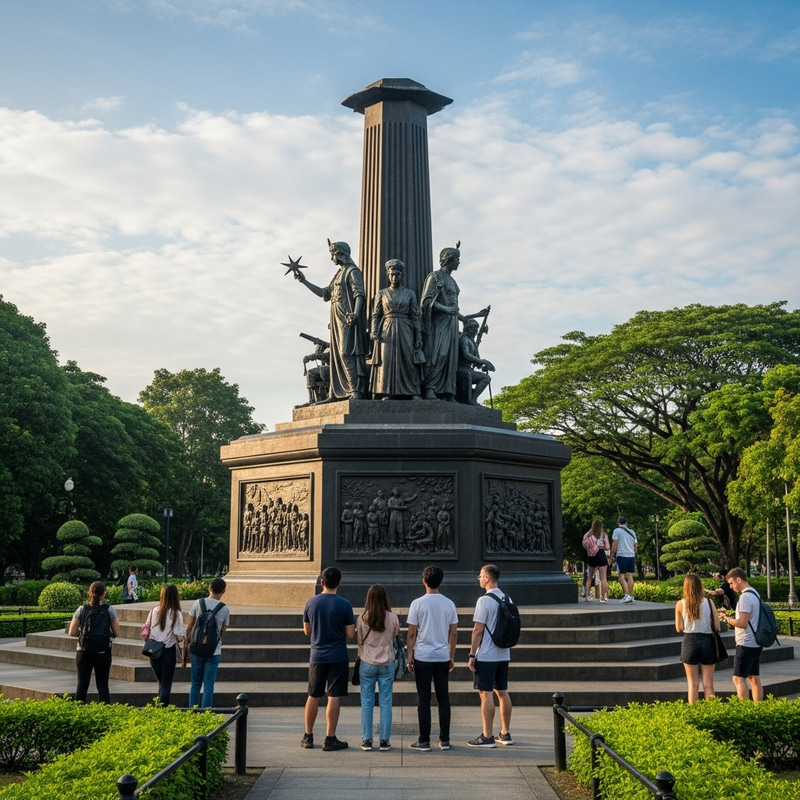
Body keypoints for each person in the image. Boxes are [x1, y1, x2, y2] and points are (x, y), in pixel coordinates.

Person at [290, 241, 369, 400]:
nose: (331, 258)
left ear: (340, 254)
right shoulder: (339, 274)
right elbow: (324, 293)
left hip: (346, 316)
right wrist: (304, 281)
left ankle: (356, 390)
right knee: (336, 356)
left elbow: (359, 294)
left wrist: (355, 313)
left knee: (346, 352)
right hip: (336, 317)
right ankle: (335, 392)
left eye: (332, 254)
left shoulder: (353, 271)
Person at [419, 244, 488, 401]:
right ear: (448, 259)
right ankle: (430, 388)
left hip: (452, 323)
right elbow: (427, 301)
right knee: (438, 354)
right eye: (456, 259)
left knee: (451, 358)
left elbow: (457, 312)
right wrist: (446, 309)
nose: (458, 262)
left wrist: (477, 315)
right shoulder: (434, 277)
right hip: (440, 323)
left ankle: (448, 392)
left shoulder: (453, 281)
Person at [302, 566, 356, 751]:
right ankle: (330, 738)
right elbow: (350, 634)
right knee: (333, 696)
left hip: (317, 655)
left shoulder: (311, 602)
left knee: (313, 695)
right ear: (339, 583)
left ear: (322, 582)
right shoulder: (345, 604)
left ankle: (308, 736)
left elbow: (307, 631)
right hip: (338, 655)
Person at [406, 565, 458, 751]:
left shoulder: (417, 604)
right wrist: (451, 655)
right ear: (441, 581)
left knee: (424, 699)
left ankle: (424, 739)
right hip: (442, 655)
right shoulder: (449, 603)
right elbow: (453, 633)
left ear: (424, 581)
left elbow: (412, 633)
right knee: (443, 698)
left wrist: (409, 655)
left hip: (423, 656)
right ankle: (444, 739)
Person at [467, 564, 513, 747]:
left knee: (486, 694)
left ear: (487, 578)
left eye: (480, 576)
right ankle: (505, 733)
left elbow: (478, 629)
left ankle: (487, 736)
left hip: (486, 654)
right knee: (502, 692)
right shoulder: (507, 597)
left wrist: (472, 654)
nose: (479, 579)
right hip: (503, 653)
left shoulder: (484, 601)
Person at [369, 259, 423, 399]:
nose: (394, 277)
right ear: (388, 275)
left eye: (397, 274)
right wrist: (374, 332)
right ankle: (388, 392)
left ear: (402, 276)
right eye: (392, 274)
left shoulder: (410, 293)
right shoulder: (381, 293)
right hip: (387, 328)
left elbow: (415, 316)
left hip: (405, 327)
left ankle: (412, 391)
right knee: (387, 360)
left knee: (408, 359)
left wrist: (418, 337)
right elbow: (375, 315)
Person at [356, 584, 400, 752]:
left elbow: (360, 640)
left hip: (367, 662)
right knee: (386, 702)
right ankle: (384, 740)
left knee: (366, 702)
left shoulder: (362, 618)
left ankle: (367, 740)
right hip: (387, 662)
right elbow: (394, 637)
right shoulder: (392, 618)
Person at [68, 580, 120, 703]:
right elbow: (117, 632)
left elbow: (71, 632)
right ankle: (105, 715)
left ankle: (78, 715)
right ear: (104, 594)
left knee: (82, 685)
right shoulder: (109, 610)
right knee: (102, 686)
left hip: (84, 651)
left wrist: (83, 634)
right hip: (103, 652)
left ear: (89, 593)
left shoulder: (82, 609)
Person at [718, 567, 764, 702]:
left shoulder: (745, 597)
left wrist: (727, 619)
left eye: (732, 583)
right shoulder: (754, 593)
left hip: (746, 642)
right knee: (753, 677)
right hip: (756, 641)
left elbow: (742, 623)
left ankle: (743, 712)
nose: (731, 586)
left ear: (739, 579)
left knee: (738, 678)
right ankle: (759, 709)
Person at [675, 573, 721, 703]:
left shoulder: (680, 604)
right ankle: (712, 713)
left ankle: (694, 714)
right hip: (708, 641)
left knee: (692, 685)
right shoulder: (709, 602)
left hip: (689, 641)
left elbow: (679, 628)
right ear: (700, 586)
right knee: (708, 685)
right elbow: (717, 626)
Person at [186, 577, 230, 708]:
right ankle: (205, 714)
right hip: (213, 650)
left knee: (195, 683)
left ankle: (192, 712)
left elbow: (189, 626)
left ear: (209, 588)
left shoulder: (198, 603)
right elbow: (223, 628)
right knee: (209, 684)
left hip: (197, 648)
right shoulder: (225, 609)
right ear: (223, 591)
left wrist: (188, 643)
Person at [142, 582, 186, 705]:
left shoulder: (154, 610)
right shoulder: (176, 613)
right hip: (168, 651)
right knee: (166, 684)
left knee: (161, 683)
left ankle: (158, 707)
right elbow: (179, 633)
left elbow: (147, 627)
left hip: (153, 650)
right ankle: (163, 710)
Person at [456, 318, 494, 404]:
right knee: (466, 374)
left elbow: (477, 363)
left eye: (476, 329)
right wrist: (482, 361)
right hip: (460, 368)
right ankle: (467, 399)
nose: (475, 331)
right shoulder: (463, 338)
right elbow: (466, 354)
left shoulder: (472, 341)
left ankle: (473, 399)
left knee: (486, 378)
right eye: (474, 329)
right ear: (468, 328)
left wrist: (483, 365)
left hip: (469, 369)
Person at [610, 516, 637, 603]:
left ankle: (627, 595)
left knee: (621, 576)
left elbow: (615, 543)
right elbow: (636, 544)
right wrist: (633, 552)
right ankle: (631, 595)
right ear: (626, 523)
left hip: (622, 555)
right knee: (630, 575)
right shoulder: (632, 532)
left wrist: (612, 555)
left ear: (618, 523)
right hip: (631, 555)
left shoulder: (617, 531)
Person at [582, 519, 610, 603]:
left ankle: (587, 596)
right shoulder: (604, 535)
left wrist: (590, 531)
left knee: (590, 577)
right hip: (601, 554)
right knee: (603, 578)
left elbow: (584, 540)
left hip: (592, 556)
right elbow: (608, 547)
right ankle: (603, 597)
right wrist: (601, 547)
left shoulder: (589, 535)